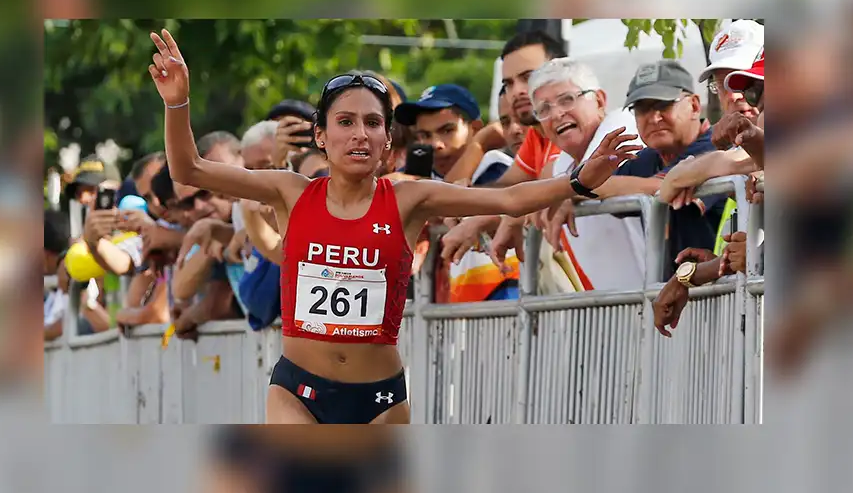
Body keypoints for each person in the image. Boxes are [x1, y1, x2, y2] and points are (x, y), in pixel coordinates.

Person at [148, 29, 635, 424]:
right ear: (321, 135)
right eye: (345, 122)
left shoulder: (408, 198)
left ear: (387, 140)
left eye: (372, 123)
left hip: (379, 400)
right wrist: (177, 103)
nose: (359, 134)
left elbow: (508, 198)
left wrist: (578, 182)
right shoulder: (289, 191)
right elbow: (189, 169)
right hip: (297, 391)